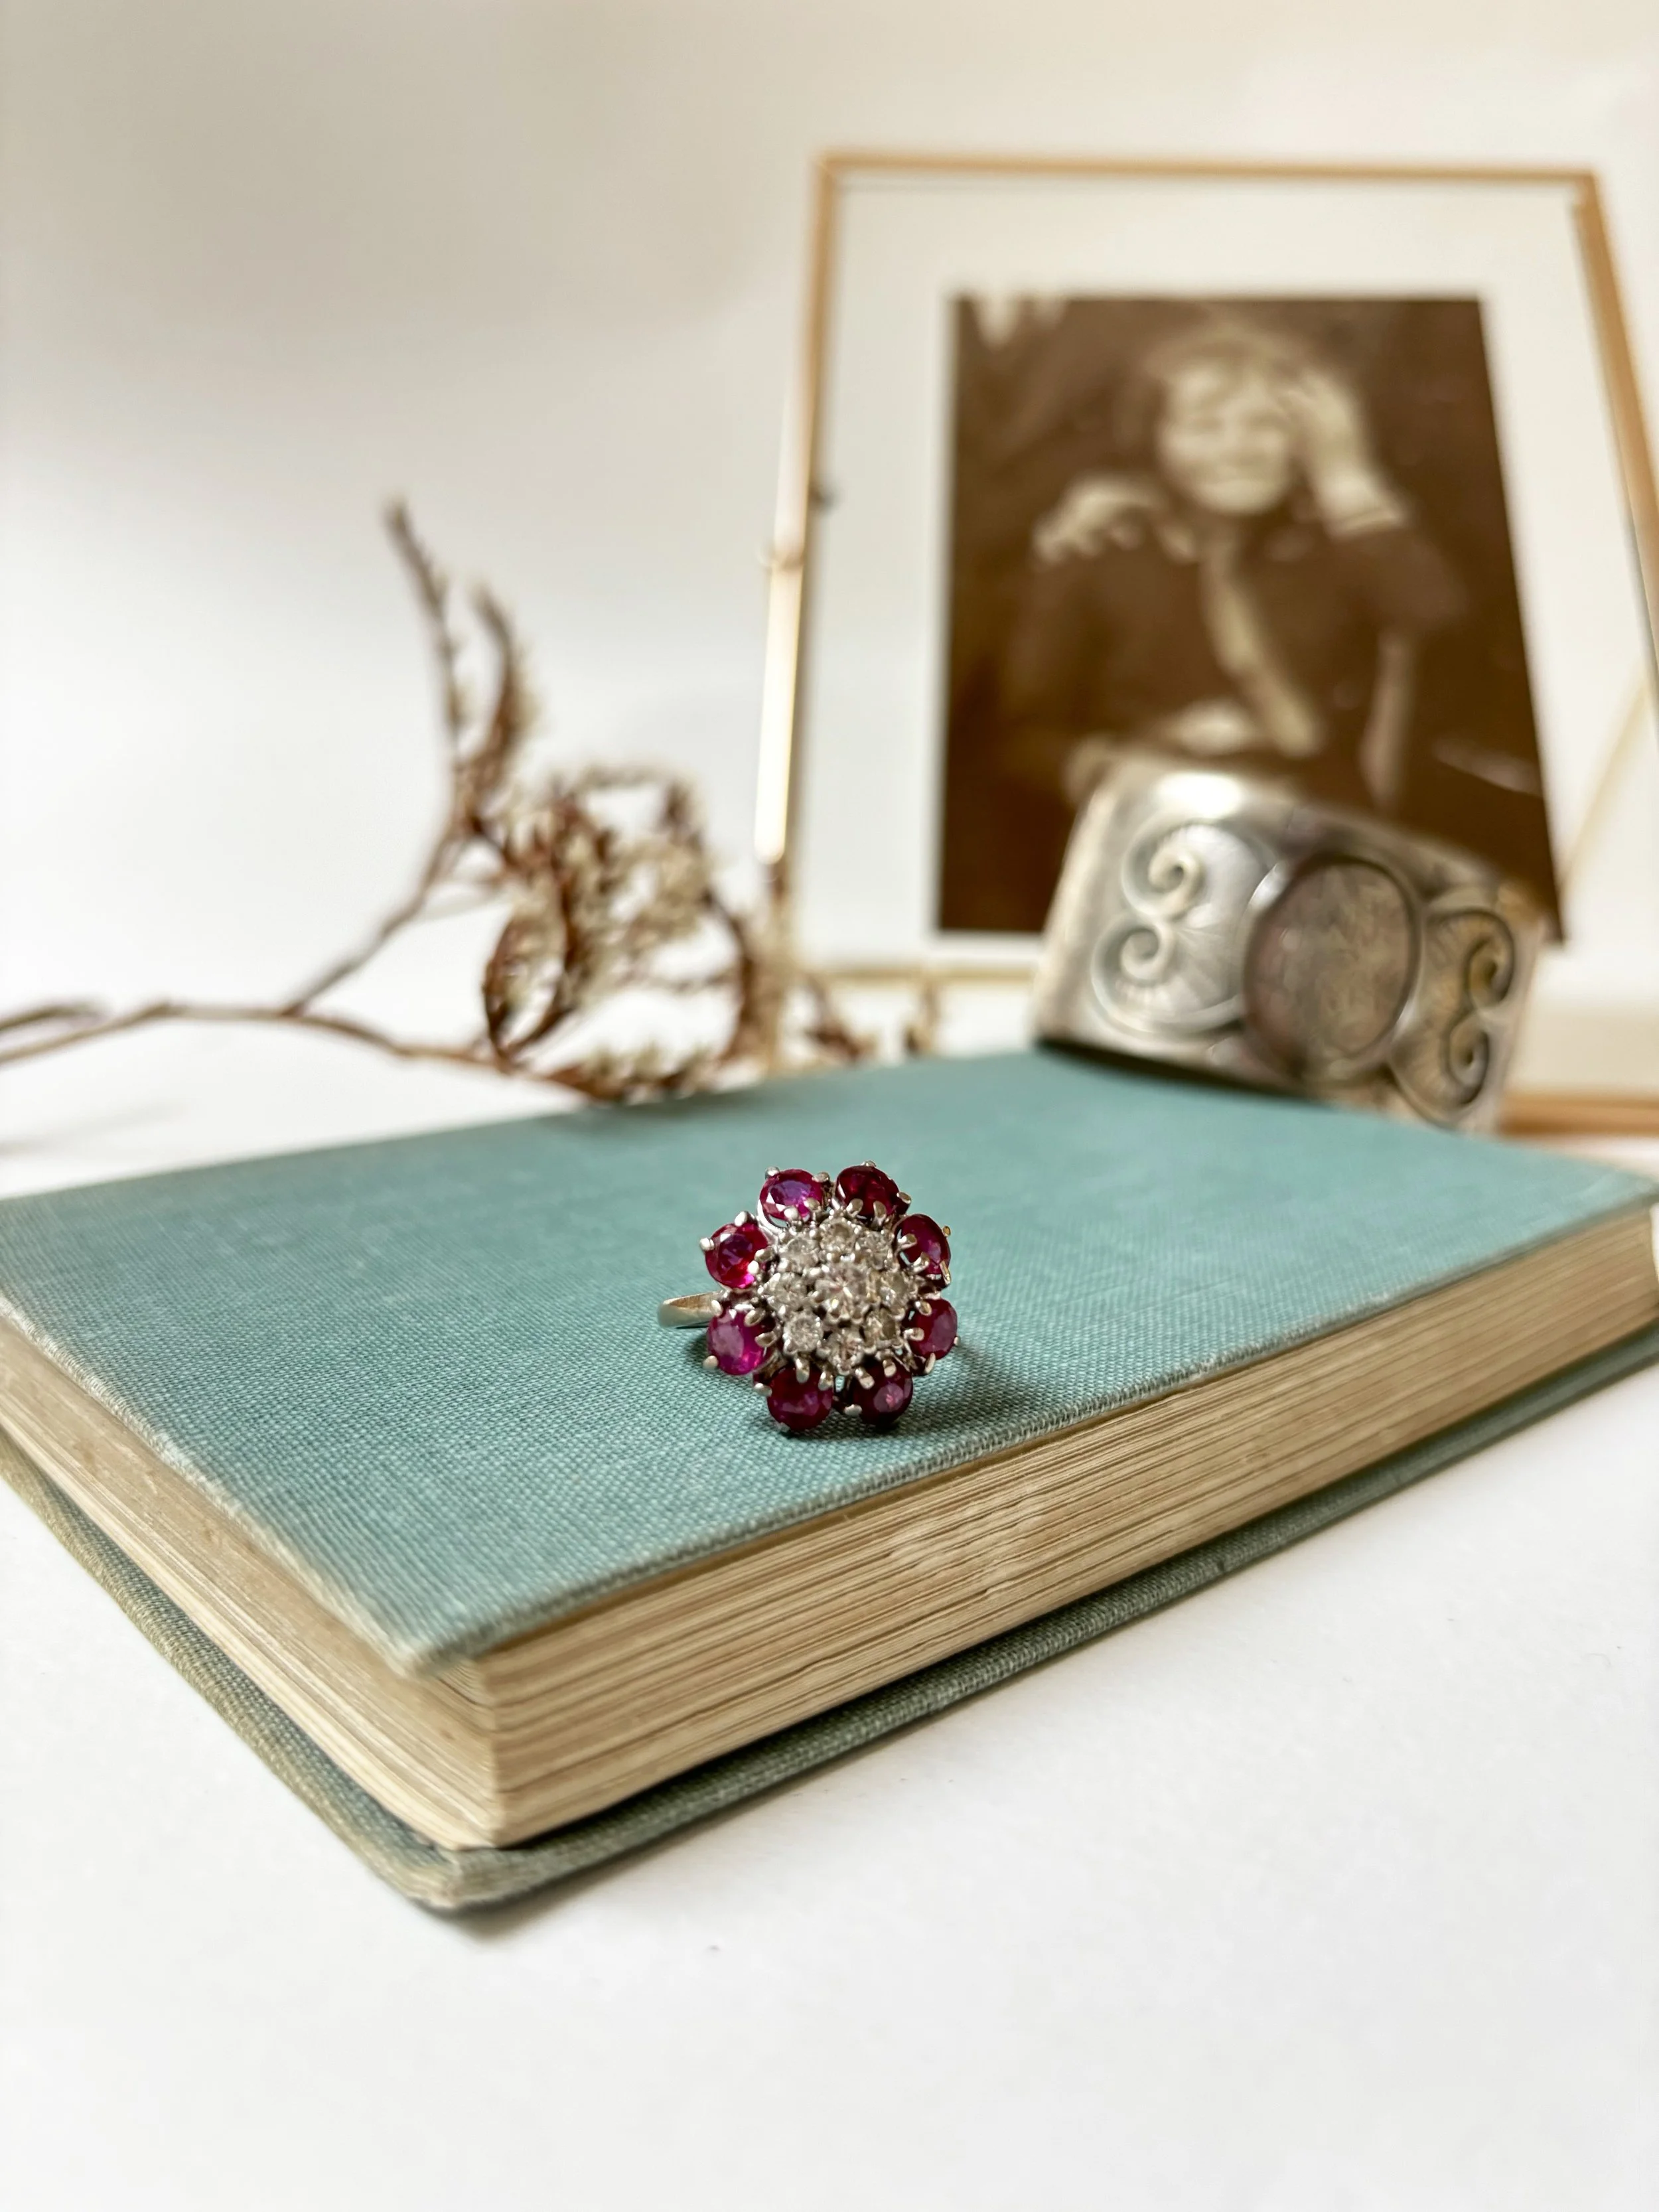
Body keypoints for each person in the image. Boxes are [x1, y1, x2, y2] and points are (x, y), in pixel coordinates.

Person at [997, 315, 1467, 828]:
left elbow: (1434, 616)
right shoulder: (1102, 551)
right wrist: (1106, 767)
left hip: (1315, 818)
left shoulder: (1338, 549)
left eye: (1267, 424)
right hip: (1154, 821)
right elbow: (1020, 735)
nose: (1238, 448)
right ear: (1152, 438)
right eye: (1204, 426)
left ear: (1310, 437)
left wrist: (1346, 478)